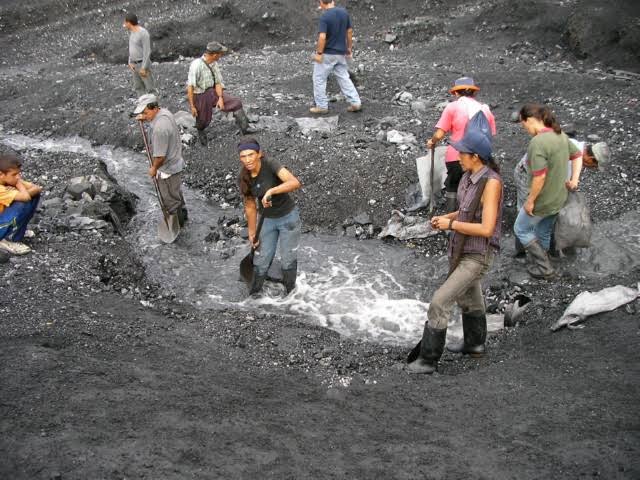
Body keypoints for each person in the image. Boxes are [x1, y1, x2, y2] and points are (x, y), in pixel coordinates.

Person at [407, 130, 503, 374]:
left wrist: (451, 225)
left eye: (462, 152)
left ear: (476, 156)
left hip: (478, 253)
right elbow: (465, 212)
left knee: (440, 301)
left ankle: (428, 360)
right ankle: (475, 344)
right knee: (469, 296)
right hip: (462, 248)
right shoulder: (467, 177)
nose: (457, 156)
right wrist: (446, 218)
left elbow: (486, 227)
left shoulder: (491, 183)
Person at [514, 104, 581, 279]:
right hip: (559, 198)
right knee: (543, 230)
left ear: (529, 120)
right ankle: (542, 262)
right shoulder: (560, 135)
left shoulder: (537, 142)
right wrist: (574, 179)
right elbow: (577, 155)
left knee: (520, 229)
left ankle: (545, 269)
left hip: (543, 199)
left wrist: (530, 200)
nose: (525, 129)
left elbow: (539, 177)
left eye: (524, 125)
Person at [237, 137, 302, 295]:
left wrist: (271, 191)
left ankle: (290, 295)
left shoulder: (271, 164)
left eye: (251, 154)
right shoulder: (243, 177)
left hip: (288, 219)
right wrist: (252, 234)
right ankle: (255, 292)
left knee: (288, 260)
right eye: (243, 156)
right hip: (267, 220)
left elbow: (294, 182)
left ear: (259, 153)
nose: (247, 160)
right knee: (262, 258)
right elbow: (251, 206)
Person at [426, 77, 497, 212]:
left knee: (453, 185)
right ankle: (473, 220)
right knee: (477, 187)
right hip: (479, 158)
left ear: (456, 93)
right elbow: (490, 135)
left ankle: (450, 223)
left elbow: (440, 134)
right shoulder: (485, 110)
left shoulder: (453, 107)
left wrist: (432, 142)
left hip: (456, 156)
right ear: (474, 93)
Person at [134, 94, 187, 227]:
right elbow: (151, 117)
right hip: (175, 161)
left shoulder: (159, 129)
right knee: (176, 194)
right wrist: (144, 117)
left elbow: (160, 157)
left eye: (145, 113)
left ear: (154, 108)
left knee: (169, 200)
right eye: (142, 113)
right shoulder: (164, 113)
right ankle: (184, 216)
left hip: (167, 168)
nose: (144, 116)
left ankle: (177, 226)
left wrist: (154, 168)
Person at [186, 41, 251, 146]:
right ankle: (201, 135)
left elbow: (218, 82)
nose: (221, 55)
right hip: (200, 95)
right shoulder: (196, 65)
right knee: (203, 120)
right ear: (215, 54)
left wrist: (220, 97)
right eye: (220, 54)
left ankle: (245, 129)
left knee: (236, 102)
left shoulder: (214, 64)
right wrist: (192, 106)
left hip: (213, 91)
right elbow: (190, 87)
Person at [310, 0, 362, 114]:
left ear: (322, 3)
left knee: (319, 79)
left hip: (327, 54)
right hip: (340, 54)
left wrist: (318, 54)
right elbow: (349, 32)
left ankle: (322, 106)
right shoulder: (344, 13)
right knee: (344, 77)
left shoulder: (325, 17)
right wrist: (349, 49)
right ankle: (355, 102)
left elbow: (322, 37)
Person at [0, 152, 42, 255]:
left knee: (33, 196)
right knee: (22, 203)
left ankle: (18, 231)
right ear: (1, 174)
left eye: (18, 173)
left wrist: (20, 188)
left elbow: (37, 188)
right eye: (14, 175)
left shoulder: (9, 180)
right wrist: (19, 185)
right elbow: (25, 197)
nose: (18, 177)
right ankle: (8, 239)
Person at [123, 13, 157, 97]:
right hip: (134, 66)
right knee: (138, 87)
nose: (124, 24)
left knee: (150, 88)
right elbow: (132, 47)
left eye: (125, 22)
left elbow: (147, 51)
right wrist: (130, 61)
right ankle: (143, 107)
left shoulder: (143, 33)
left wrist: (143, 67)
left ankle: (153, 108)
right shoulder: (131, 33)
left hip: (142, 64)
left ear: (129, 23)